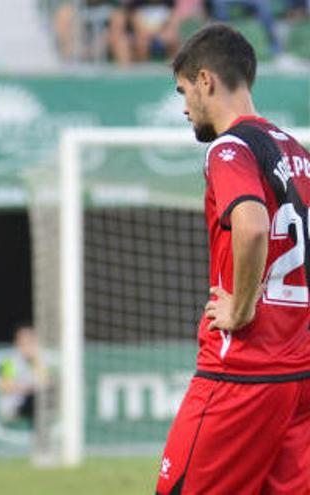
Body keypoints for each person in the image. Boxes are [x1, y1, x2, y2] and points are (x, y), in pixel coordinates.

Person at [157, 24, 310, 495]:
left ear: (206, 80)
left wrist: (242, 308)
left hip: (242, 372)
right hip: (299, 375)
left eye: (184, 91)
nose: (185, 106)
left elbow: (252, 224)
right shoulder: (297, 152)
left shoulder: (230, 148)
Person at [0, 324, 47, 425]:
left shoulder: (39, 360)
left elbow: (44, 382)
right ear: (17, 343)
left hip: (34, 402)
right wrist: (27, 389)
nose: (27, 346)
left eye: (30, 342)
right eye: (23, 342)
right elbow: (5, 386)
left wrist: (36, 362)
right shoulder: (10, 361)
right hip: (14, 405)